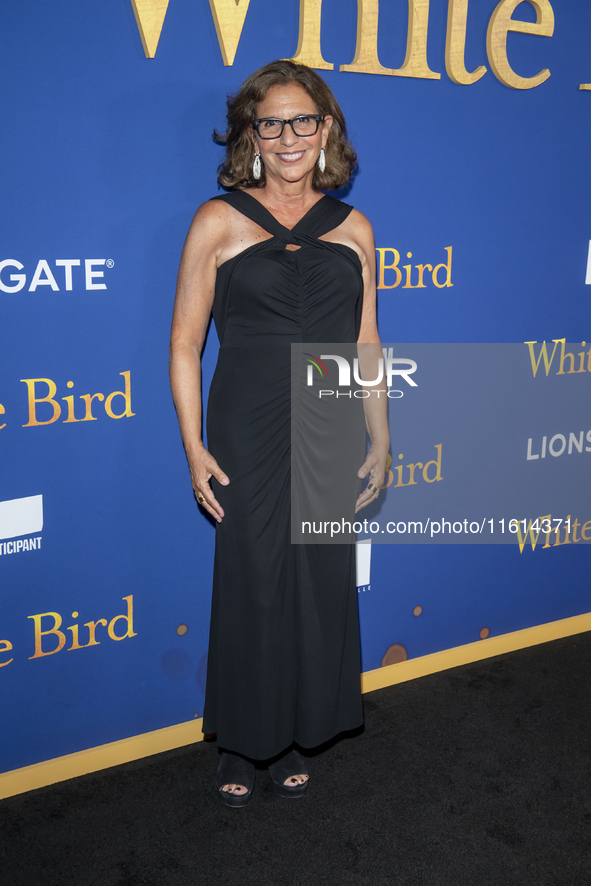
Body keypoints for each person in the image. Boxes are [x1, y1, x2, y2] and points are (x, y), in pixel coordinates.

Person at [169, 60, 389, 807]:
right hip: (246, 426)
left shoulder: (353, 228)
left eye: (303, 120)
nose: (288, 136)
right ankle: (241, 741)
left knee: (316, 586)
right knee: (255, 583)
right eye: (271, 122)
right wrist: (193, 446)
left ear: (325, 128)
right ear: (250, 135)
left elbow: (365, 345)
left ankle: (295, 731)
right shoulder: (217, 219)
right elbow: (184, 346)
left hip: (325, 423)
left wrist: (380, 439)